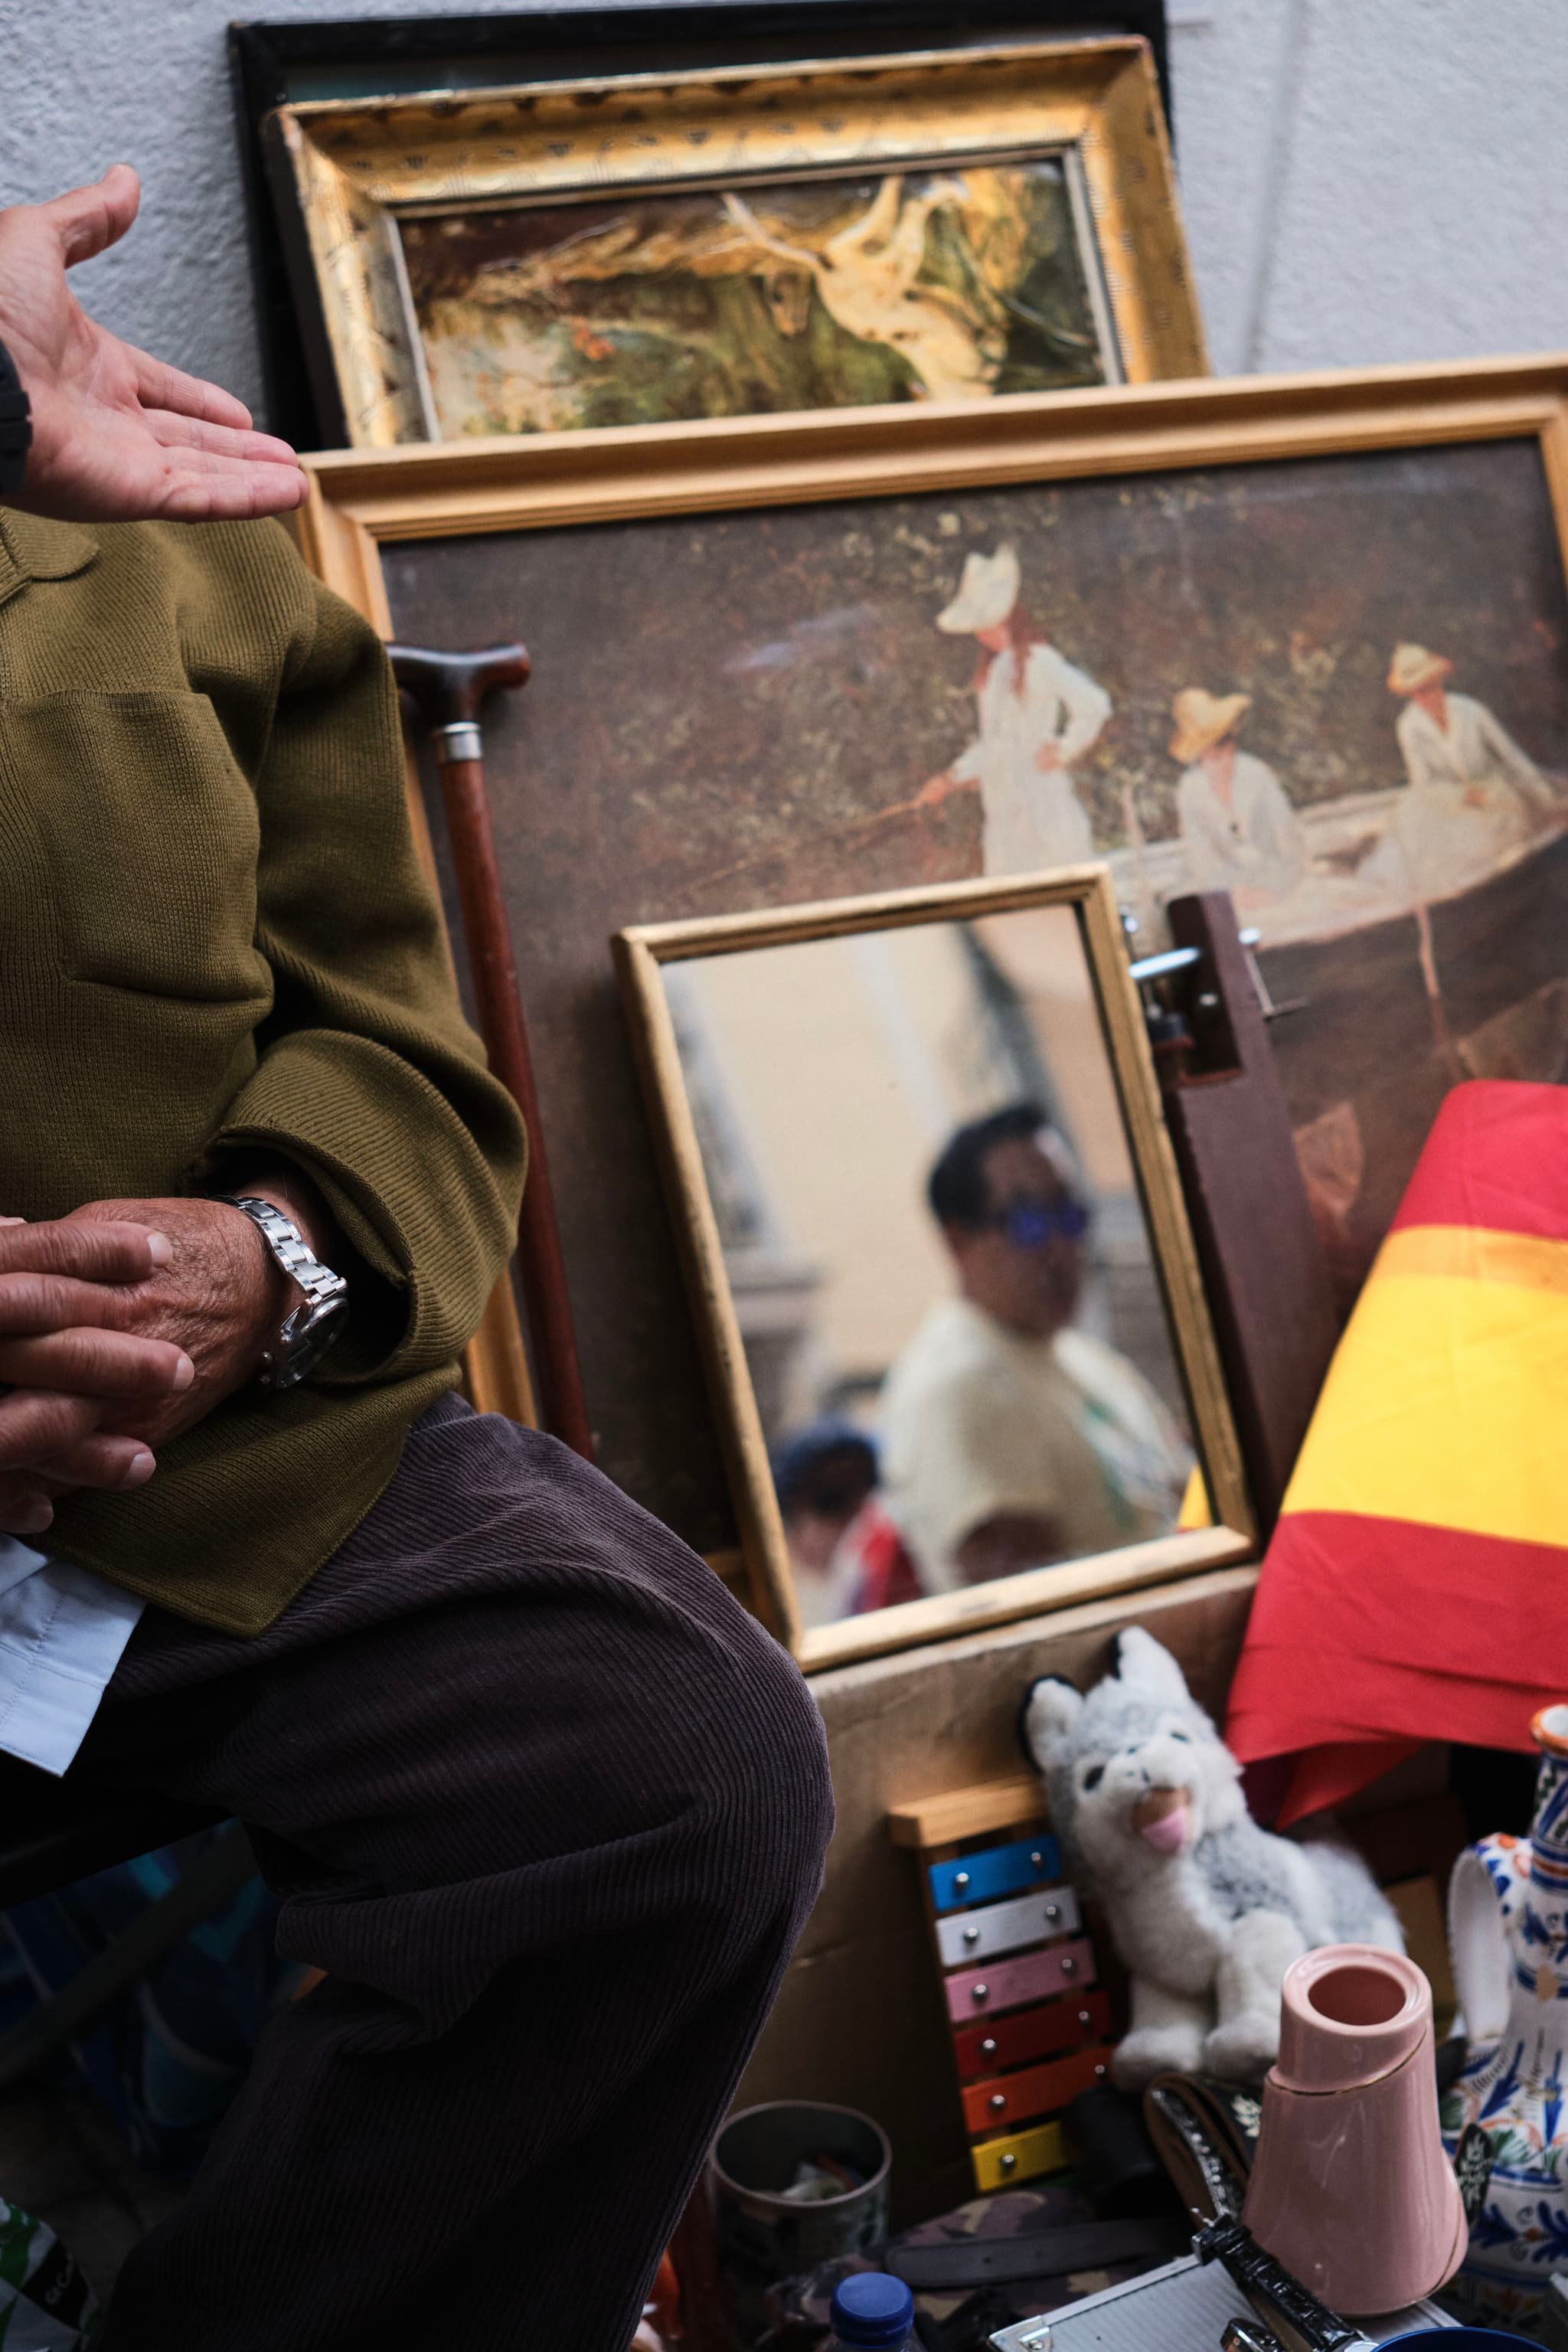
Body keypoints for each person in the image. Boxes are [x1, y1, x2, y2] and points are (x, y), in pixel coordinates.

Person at [0, 168, 831, 2352]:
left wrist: (270, 1254)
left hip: (197, 1487)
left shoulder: (144, 514)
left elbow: (396, 1051)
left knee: (673, 1760)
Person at [879, 1105, 1190, 1592]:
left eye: (1068, 1215)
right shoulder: (958, 1384)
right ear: (958, 1242)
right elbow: (1030, 1606)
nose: (1060, 1248)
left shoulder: (1092, 1361)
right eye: (1028, 1222)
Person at [935, 545, 1111, 871]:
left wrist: (1064, 749)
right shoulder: (993, 675)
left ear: (1009, 618)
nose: (982, 633)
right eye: (979, 626)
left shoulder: (1039, 662)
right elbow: (993, 745)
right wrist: (950, 778)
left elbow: (1095, 703)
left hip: (1043, 808)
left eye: (988, 623)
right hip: (1005, 815)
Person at [1382, 641, 1560, 898]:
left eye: (1427, 688)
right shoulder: (1409, 725)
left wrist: (1547, 800)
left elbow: (1513, 758)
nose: (1423, 698)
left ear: (1438, 682)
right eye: (1415, 693)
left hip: (1496, 798)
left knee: (1492, 840)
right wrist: (1460, 797)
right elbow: (1423, 784)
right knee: (1429, 853)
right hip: (1450, 806)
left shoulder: (1471, 711)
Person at [1171, 687, 1308, 910]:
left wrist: (1276, 891)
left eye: (1228, 749)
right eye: (1214, 757)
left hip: (1276, 885)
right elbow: (1201, 858)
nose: (1225, 762)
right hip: (1226, 893)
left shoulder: (1256, 774)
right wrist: (1231, 895)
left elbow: (1289, 843)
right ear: (1200, 756)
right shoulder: (1190, 790)